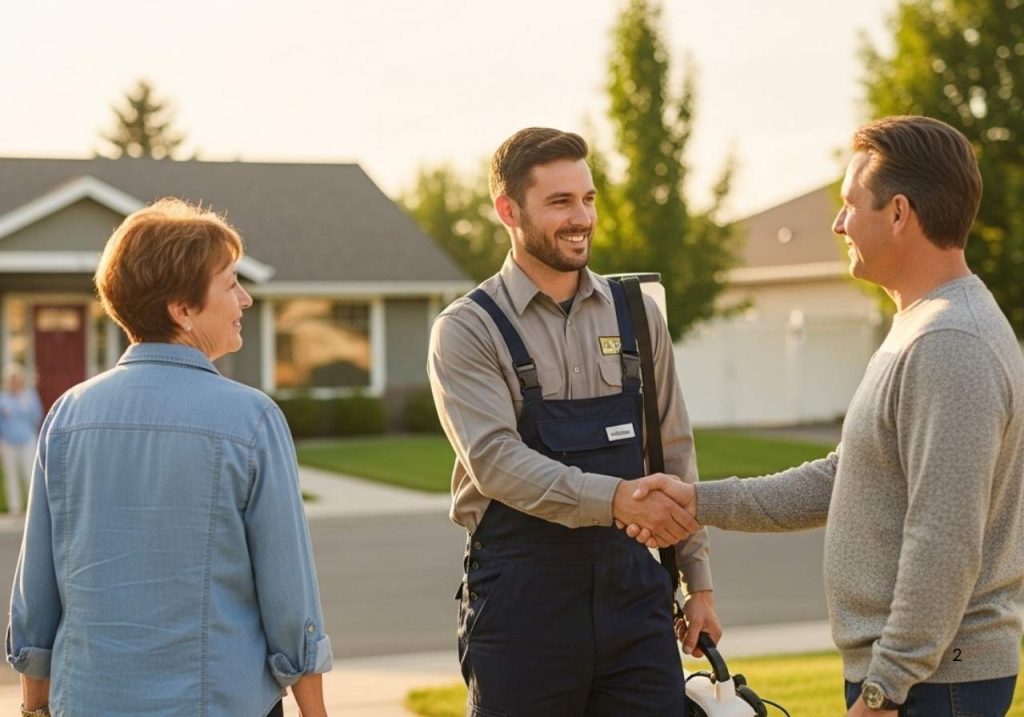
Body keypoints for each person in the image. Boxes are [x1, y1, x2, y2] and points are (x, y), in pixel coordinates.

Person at [632, 116, 1024, 716]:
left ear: (898, 213)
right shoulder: (921, 327)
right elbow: (847, 477)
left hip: (935, 684)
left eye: (849, 204)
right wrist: (696, 502)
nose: (838, 223)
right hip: (919, 679)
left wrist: (884, 688)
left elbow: (944, 540)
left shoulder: (951, 343)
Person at [427, 126, 719, 716]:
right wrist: (616, 501)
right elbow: (496, 462)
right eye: (560, 202)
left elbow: (672, 451)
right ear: (508, 210)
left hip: (636, 596)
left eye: (587, 199)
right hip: (522, 604)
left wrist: (699, 580)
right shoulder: (468, 329)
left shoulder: (638, 313)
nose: (580, 217)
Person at [7, 198, 332, 717]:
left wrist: (32, 708)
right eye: (230, 284)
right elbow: (290, 597)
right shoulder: (250, 420)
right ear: (181, 309)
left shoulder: (68, 415)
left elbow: (37, 592)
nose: (245, 299)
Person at [0, 364, 42, 515]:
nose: (13, 382)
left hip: (27, 440)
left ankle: (33, 509)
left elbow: (37, 416)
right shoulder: (2, 398)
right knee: (11, 475)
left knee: (29, 473)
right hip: (8, 442)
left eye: (16, 379)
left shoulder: (30, 396)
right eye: (10, 380)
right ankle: (15, 508)